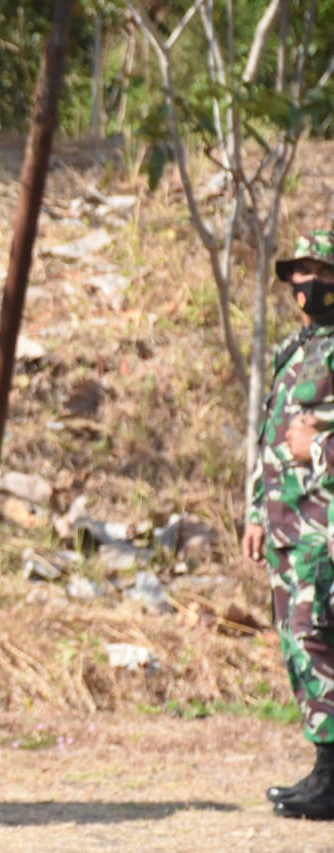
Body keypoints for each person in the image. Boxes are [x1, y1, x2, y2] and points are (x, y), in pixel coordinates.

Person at [242, 228, 334, 822]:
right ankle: (325, 770)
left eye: (315, 271)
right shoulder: (298, 348)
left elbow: (305, 440)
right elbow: (272, 435)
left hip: (324, 529)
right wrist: (255, 512)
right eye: (295, 272)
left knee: (319, 641)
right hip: (287, 528)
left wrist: (320, 446)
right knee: (301, 646)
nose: (303, 283)